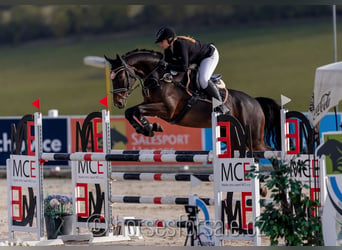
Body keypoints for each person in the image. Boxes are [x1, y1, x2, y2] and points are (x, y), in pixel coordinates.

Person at [155, 26, 229, 114]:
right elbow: (170, 66)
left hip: (209, 55)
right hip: (197, 60)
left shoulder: (180, 45)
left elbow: (183, 67)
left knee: (203, 80)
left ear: (170, 39)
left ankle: (220, 105)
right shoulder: (168, 50)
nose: (160, 44)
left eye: (161, 41)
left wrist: (167, 65)